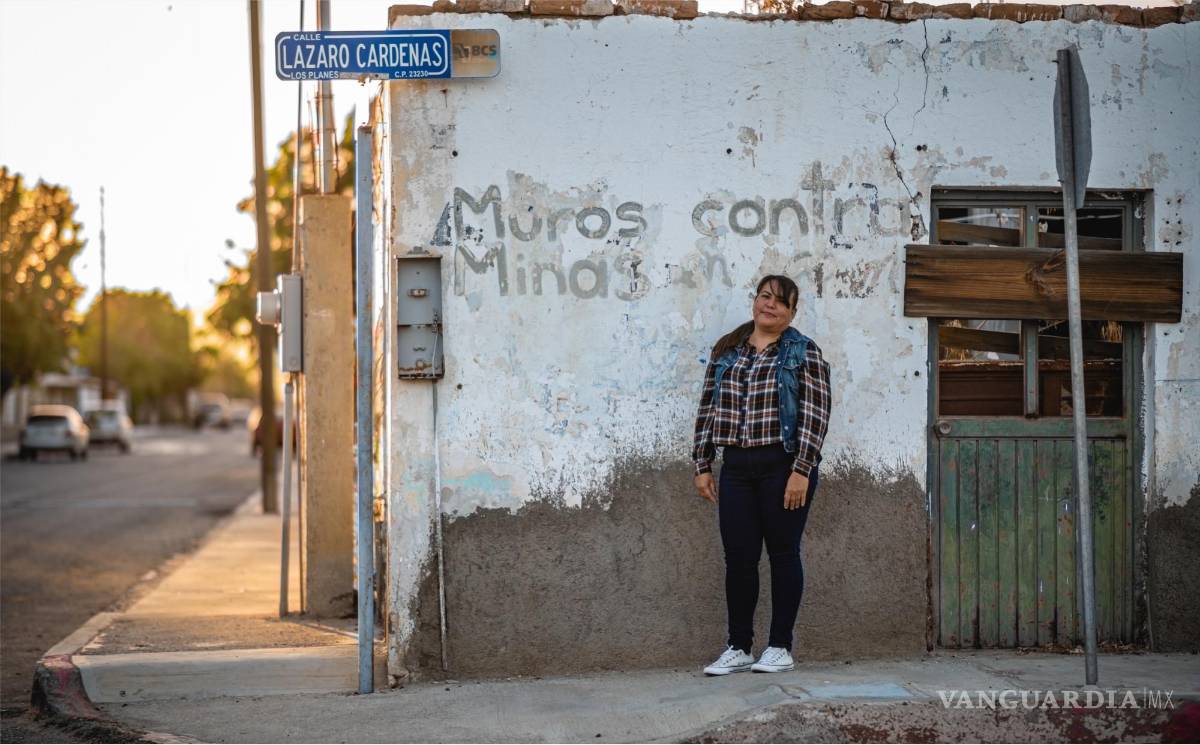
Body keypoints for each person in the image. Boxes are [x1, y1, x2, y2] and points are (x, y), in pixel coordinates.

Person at [692, 274, 831, 675]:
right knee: (739, 559)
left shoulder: (804, 352)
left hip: (783, 467)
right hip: (735, 468)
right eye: (764, 297)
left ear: (791, 312)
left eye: (780, 302)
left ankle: (780, 647)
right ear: (755, 301)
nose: (770, 305)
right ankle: (738, 646)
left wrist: (802, 470)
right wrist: (702, 463)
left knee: (783, 554)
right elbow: (708, 408)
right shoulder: (727, 351)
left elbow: (815, 415)